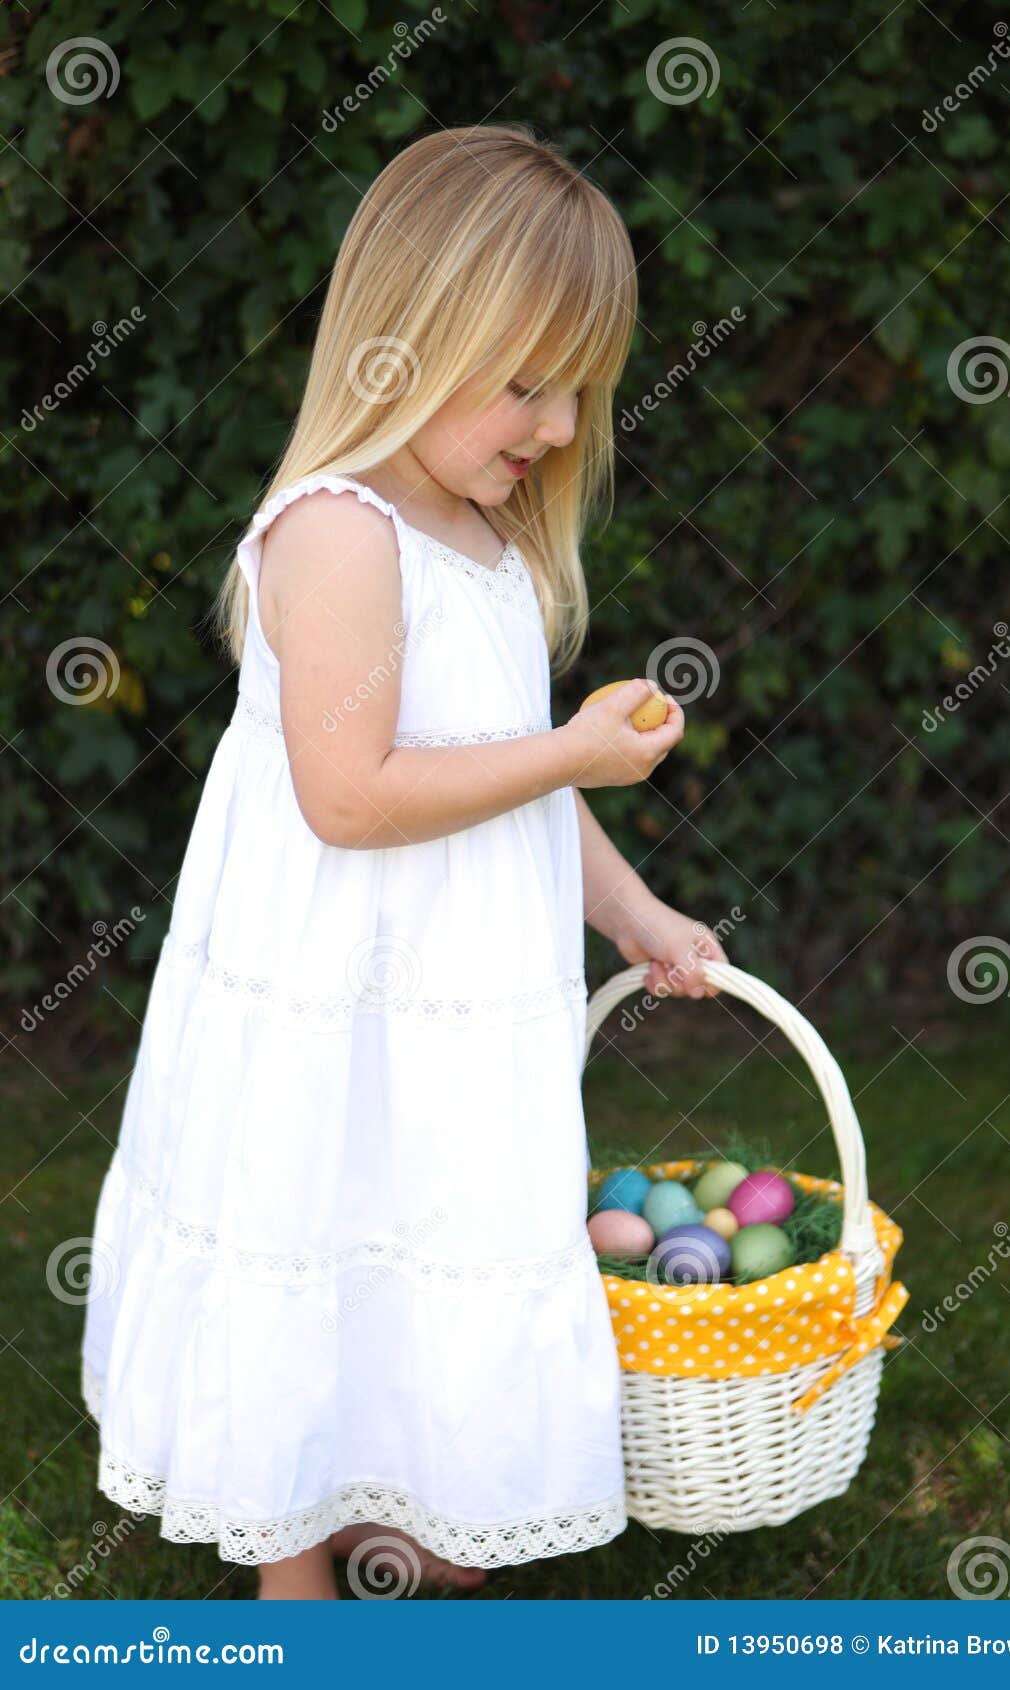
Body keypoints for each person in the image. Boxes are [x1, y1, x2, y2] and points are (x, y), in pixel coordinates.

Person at [80, 122, 726, 1602]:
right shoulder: (340, 532)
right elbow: (351, 797)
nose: (557, 426)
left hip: (452, 1016)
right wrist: (568, 750)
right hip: (330, 999)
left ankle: (411, 1490)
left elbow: (512, 786)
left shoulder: (492, 547)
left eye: (579, 388)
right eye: (526, 383)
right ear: (410, 340)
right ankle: (291, 1567)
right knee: (308, 1218)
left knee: (426, 1227)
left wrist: (633, 909)